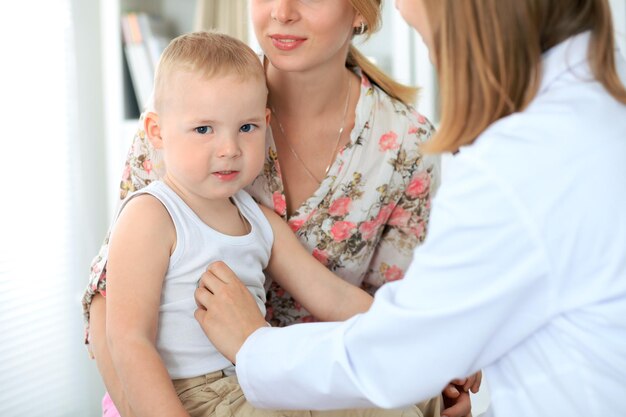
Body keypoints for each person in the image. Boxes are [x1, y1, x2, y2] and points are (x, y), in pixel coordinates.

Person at [192, 0, 626, 416]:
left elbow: (405, 351)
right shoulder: (581, 127)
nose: (399, 7)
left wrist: (253, 344)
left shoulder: (517, 163)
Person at [84, 1, 479, 416]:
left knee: (426, 399)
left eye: (248, 128)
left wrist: (435, 350)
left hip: (291, 374)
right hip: (201, 391)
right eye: (205, 130)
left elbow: (338, 299)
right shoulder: (193, 95)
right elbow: (116, 320)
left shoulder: (404, 144)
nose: (283, 11)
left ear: (360, 11)